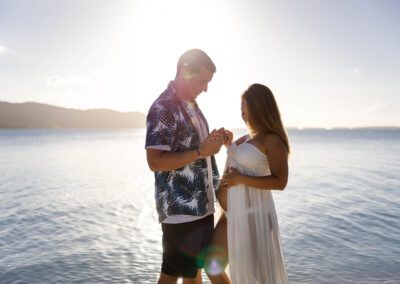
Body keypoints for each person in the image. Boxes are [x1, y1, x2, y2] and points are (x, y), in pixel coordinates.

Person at [145, 49, 232, 284]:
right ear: (186, 72)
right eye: (202, 81)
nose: (205, 88)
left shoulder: (191, 105)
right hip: (180, 211)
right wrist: (202, 151)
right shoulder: (163, 107)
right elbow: (155, 162)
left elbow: (193, 146)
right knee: (171, 276)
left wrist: (214, 139)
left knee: (193, 273)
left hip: (201, 206)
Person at [205, 83, 290, 284]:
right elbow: (242, 161)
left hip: (254, 214)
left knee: (254, 277)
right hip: (231, 213)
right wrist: (229, 145)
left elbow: (281, 182)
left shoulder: (273, 140)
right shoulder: (247, 137)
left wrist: (241, 179)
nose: (243, 116)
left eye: (246, 111)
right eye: (241, 111)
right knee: (212, 265)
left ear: (260, 109)